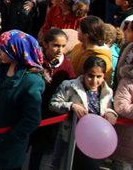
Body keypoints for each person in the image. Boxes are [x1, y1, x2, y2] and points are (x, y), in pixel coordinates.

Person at [0, 30, 45, 170]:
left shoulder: (32, 81)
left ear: (17, 51)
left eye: (3, 49)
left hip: (8, 150)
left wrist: (11, 138)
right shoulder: (3, 69)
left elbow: (32, 119)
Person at [49, 56, 118, 170]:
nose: (94, 81)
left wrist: (111, 113)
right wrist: (71, 105)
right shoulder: (69, 86)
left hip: (95, 141)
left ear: (104, 75)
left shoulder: (107, 92)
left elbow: (108, 107)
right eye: (90, 76)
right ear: (84, 73)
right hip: (71, 139)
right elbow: (53, 103)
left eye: (99, 77)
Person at [28, 28, 76, 170]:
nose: (59, 50)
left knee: (38, 149)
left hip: (49, 115)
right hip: (30, 109)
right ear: (45, 44)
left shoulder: (66, 66)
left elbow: (71, 87)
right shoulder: (35, 59)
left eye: (63, 46)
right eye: (55, 45)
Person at [112, 20, 133, 169]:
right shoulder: (128, 47)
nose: (125, 33)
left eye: (129, 30)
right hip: (127, 138)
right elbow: (121, 106)